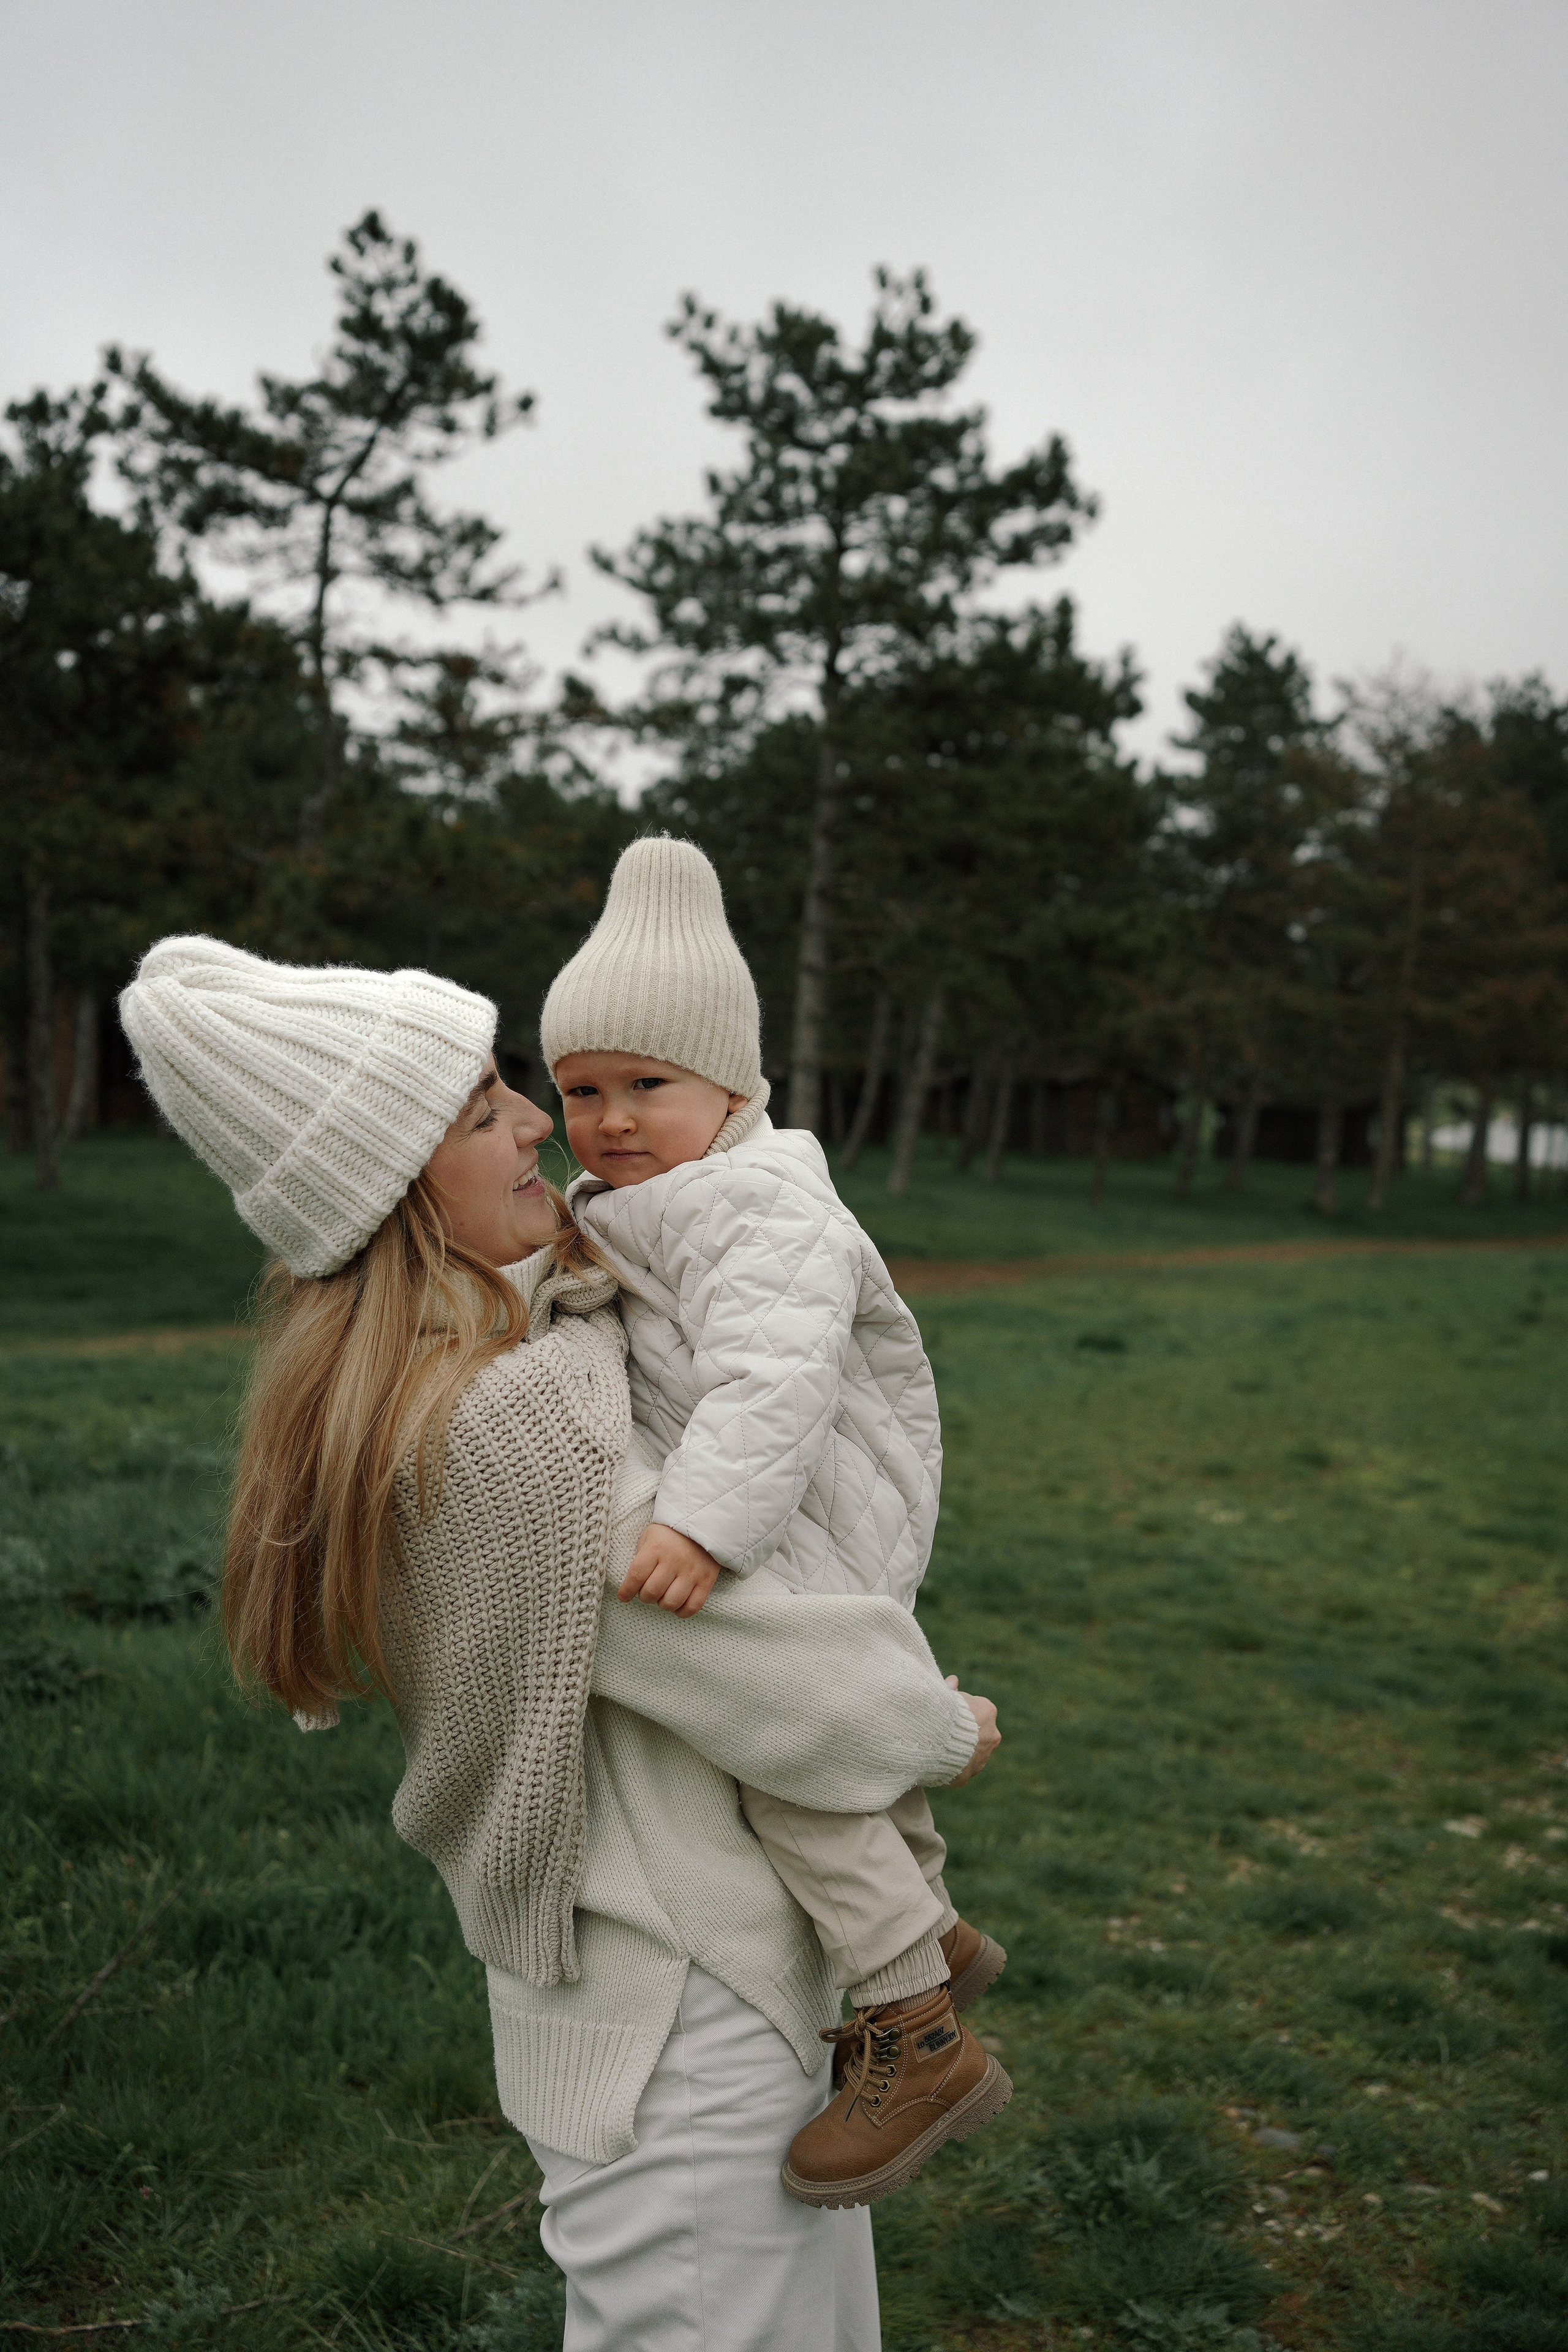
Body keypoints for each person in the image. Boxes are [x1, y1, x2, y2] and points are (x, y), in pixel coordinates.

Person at [118, 932, 1001, 2352]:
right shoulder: (511, 1424)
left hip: (639, 1997)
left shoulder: (452, 1370)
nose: (539, 1117)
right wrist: (934, 1724)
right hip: (684, 2022)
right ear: (401, 1191)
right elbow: (753, 1665)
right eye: (483, 1111)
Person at [538, 835, 1010, 2209]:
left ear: (734, 1089)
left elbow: (775, 1375)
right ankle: (929, 1923)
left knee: (784, 1754)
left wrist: (702, 1523)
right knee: (816, 1735)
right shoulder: (654, 1193)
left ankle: (912, 2024)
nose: (612, 1119)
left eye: (647, 1085)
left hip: (797, 1500)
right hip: (772, 1499)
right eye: (580, 1089)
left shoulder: (759, 1204)